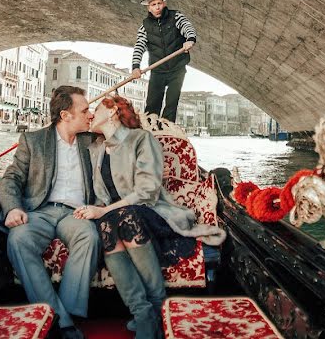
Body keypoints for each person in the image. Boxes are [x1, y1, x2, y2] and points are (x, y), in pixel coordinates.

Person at [74, 95, 225, 339]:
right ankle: (143, 313)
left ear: (112, 112)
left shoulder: (142, 139)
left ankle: (157, 305)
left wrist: (105, 211)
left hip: (153, 212)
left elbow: (147, 192)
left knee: (121, 218)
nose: (91, 113)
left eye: (97, 108)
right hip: (116, 218)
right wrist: (94, 211)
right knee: (106, 226)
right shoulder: (97, 148)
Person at [0, 86, 100, 339]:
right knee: (18, 239)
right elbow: (11, 179)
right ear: (65, 115)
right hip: (39, 211)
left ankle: (63, 317)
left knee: (90, 237)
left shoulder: (92, 140)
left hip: (76, 213)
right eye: (85, 110)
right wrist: (13, 208)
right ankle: (60, 320)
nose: (91, 114)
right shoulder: (33, 140)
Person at [129, 0, 197, 123]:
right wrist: (135, 67)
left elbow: (187, 26)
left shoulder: (176, 16)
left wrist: (190, 39)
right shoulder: (145, 27)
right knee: (152, 106)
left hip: (177, 68)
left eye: (159, 3)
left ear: (164, 4)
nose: (157, 7)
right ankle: (150, 132)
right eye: (153, 4)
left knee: (171, 104)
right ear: (149, 7)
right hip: (158, 70)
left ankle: (167, 132)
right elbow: (139, 46)